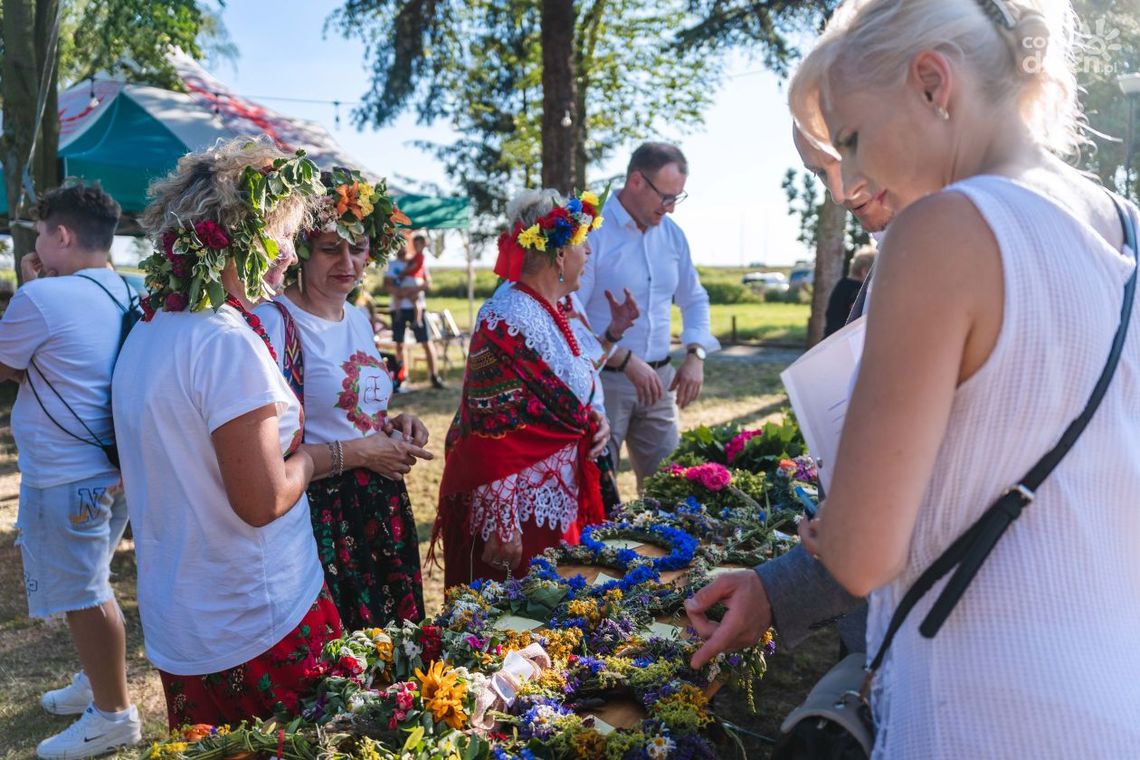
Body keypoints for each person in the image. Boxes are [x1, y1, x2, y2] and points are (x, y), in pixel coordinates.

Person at [734, 0, 1140, 756]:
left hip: (988, 707)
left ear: (931, 83)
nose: (849, 182)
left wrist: (843, 518)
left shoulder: (942, 229)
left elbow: (860, 556)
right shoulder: (1125, 223)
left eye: (851, 140)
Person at [114, 138, 402, 727]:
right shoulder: (223, 341)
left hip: (186, 616)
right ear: (244, 236)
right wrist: (339, 454)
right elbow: (263, 500)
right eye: (283, 236)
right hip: (257, 611)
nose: (290, 257)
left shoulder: (149, 328)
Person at [256, 167, 432, 631]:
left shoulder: (355, 317)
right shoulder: (277, 322)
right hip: (322, 512)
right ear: (302, 253)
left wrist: (394, 424)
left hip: (379, 503)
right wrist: (362, 452)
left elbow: (350, 406)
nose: (348, 264)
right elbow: (267, 445)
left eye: (358, 250)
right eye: (331, 249)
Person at [431, 189, 635, 587]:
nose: (589, 254)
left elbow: (560, 395)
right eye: (582, 245)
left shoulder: (550, 311)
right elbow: (490, 424)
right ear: (560, 255)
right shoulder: (508, 314)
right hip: (519, 512)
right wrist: (503, 519)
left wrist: (593, 421)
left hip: (555, 498)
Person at [0, 183, 140, 758]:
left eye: (39, 233)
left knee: (85, 595)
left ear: (61, 235)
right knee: (95, 582)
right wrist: (40, 289)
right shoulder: (129, 290)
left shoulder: (41, 301)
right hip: (115, 468)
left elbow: (6, 365)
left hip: (65, 475)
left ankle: (113, 715)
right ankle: (95, 680)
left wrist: (29, 293)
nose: (35, 242)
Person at [578, 142, 720, 492]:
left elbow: (695, 298)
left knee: (665, 493)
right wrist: (623, 358)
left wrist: (696, 353)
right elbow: (569, 314)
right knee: (598, 491)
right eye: (666, 197)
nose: (670, 209)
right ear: (636, 181)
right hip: (603, 383)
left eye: (678, 199)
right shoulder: (592, 231)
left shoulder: (673, 236)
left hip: (660, 382)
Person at [385, 232, 445, 389]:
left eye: (404, 244)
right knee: (399, 343)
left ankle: (434, 376)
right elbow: (388, 284)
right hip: (398, 308)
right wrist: (401, 293)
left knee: (426, 341)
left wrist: (413, 291)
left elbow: (427, 282)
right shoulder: (393, 265)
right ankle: (402, 376)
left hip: (416, 307)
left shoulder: (418, 261)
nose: (401, 248)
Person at [824, 244, 876, 336]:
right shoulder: (857, 290)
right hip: (844, 340)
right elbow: (859, 314)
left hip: (831, 337)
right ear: (865, 271)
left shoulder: (842, 283)